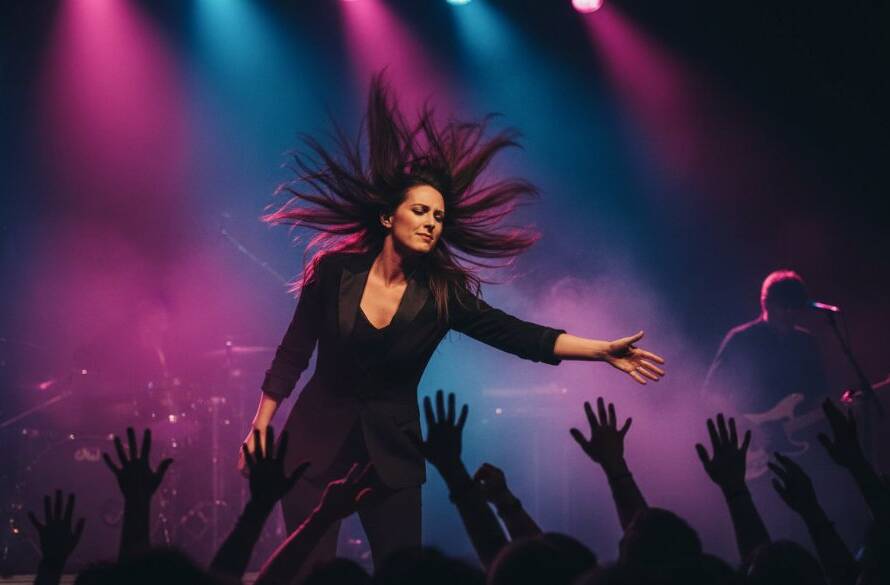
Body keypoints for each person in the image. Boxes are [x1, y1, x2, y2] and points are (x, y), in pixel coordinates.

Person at [238, 74, 666, 571]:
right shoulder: (334, 272)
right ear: (387, 218)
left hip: (392, 459)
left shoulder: (443, 294)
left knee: (406, 573)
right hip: (313, 446)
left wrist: (601, 350)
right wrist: (260, 426)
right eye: (419, 211)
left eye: (438, 218)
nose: (430, 223)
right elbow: (294, 351)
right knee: (307, 576)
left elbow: (517, 334)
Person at [704, 270, 828, 415]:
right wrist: (743, 423)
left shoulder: (806, 342)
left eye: (796, 307)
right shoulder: (741, 339)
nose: (790, 312)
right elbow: (713, 393)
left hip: (796, 434)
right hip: (752, 434)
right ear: (766, 304)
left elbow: (819, 393)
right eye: (784, 306)